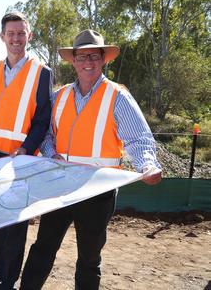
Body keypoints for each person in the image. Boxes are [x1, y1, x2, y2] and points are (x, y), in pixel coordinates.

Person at [19, 29, 162, 290]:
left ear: (103, 59)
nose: (88, 62)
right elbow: (47, 135)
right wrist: (52, 155)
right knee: (43, 247)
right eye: (82, 56)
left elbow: (138, 139)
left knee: (89, 257)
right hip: (60, 186)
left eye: (94, 56)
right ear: (73, 60)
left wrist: (147, 165)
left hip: (98, 191)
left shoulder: (118, 96)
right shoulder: (59, 96)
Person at [0, 11, 53, 290]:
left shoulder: (42, 73)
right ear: (2, 37)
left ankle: (8, 280)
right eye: (11, 34)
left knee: (15, 223)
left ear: (29, 36)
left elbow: (43, 117)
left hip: (19, 160)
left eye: (21, 33)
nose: (16, 38)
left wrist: (27, 148)